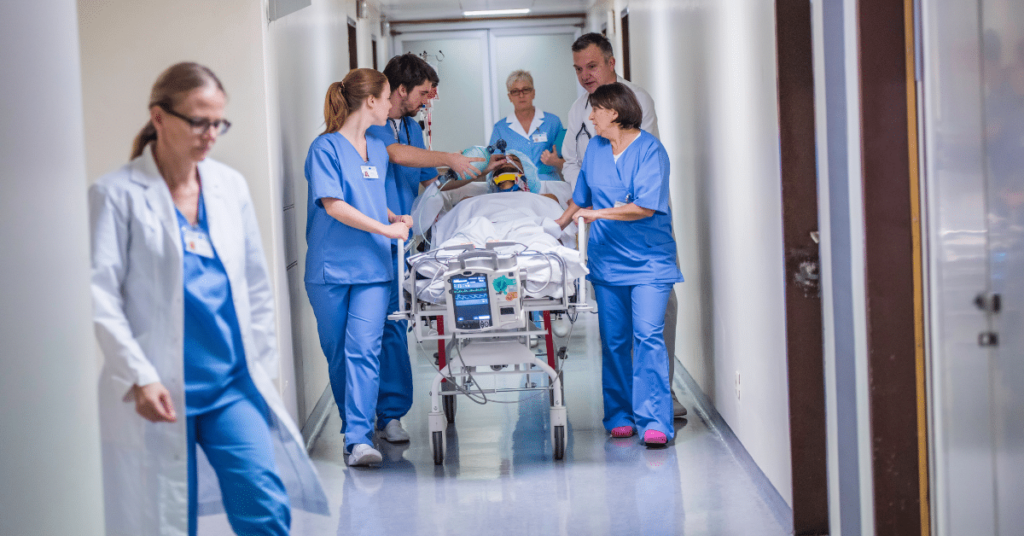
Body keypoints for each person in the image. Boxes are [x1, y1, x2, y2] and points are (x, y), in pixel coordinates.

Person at [90, 62, 327, 536]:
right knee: (166, 520)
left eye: (219, 122)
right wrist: (138, 376)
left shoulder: (228, 186)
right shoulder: (116, 195)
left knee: (263, 505)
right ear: (159, 117)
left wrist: (262, 362)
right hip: (158, 387)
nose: (211, 135)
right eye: (199, 121)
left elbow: (256, 285)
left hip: (230, 383)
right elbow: (101, 295)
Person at [549, 32, 687, 418]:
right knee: (615, 332)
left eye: (592, 66)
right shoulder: (581, 112)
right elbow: (575, 164)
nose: (585, 75)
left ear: (611, 62)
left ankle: (660, 396)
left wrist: (603, 208)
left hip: (643, 233)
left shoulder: (636, 103)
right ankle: (623, 409)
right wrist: (564, 219)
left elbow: (642, 174)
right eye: (578, 69)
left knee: (652, 325)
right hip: (604, 234)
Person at [304, 68, 413, 467]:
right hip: (330, 269)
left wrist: (394, 217)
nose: (390, 105)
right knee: (338, 355)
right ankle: (355, 426)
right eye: (386, 98)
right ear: (370, 101)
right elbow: (334, 204)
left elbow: (369, 199)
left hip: (373, 268)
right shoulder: (324, 149)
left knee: (364, 350)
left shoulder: (378, 149)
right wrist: (385, 228)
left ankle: (358, 440)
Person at [365, 54, 447, 444]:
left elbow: (430, 181)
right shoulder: (372, 126)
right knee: (366, 334)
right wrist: (449, 157)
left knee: (395, 325)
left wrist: (477, 171)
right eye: (423, 93)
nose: (426, 101)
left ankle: (391, 413)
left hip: (401, 241)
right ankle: (362, 416)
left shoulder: (413, 129)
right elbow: (395, 155)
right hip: (370, 239)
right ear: (401, 89)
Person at [489, 70, 564, 182]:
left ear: (533, 93)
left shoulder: (553, 123)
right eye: (515, 91)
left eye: (526, 90)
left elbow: (570, 163)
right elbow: (493, 168)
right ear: (509, 97)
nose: (521, 95)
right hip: (516, 188)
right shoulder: (500, 129)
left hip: (548, 186)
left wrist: (556, 162)